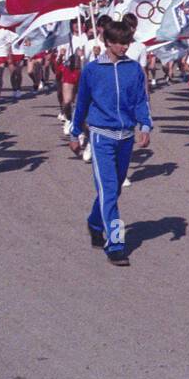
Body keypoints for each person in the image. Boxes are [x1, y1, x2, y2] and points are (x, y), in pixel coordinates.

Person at [69, 19, 152, 266]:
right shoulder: (92, 70)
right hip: (101, 136)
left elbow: (141, 100)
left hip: (125, 136)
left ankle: (95, 222)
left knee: (113, 189)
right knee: (107, 189)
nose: (124, 47)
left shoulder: (134, 69)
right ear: (108, 42)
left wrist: (145, 125)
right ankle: (115, 243)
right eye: (119, 43)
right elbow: (81, 103)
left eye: (127, 42)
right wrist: (75, 133)